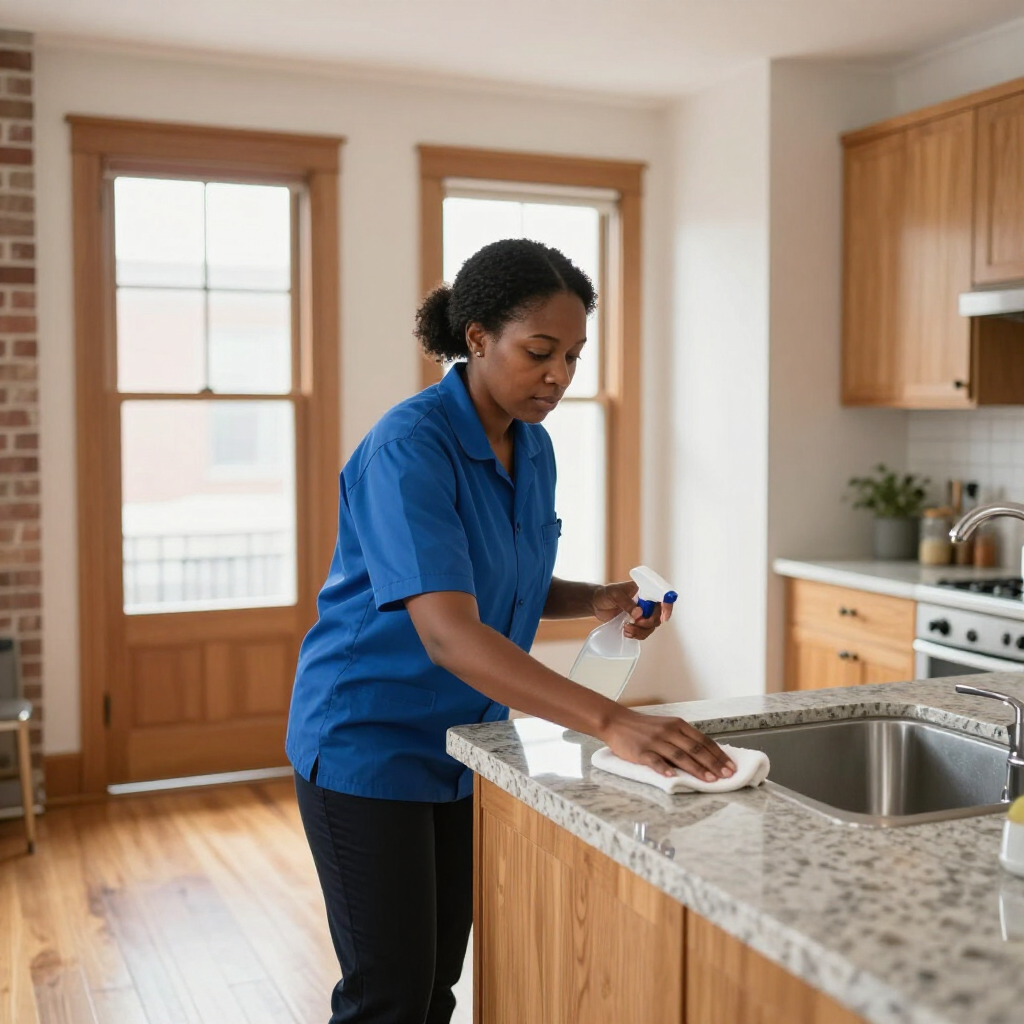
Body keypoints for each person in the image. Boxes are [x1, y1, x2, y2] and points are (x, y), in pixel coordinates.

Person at [286, 238, 735, 1024]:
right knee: (386, 995)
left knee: (435, 987)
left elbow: (502, 580)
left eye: (573, 355)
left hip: (466, 743)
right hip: (366, 741)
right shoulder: (407, 448)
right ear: (476, 338)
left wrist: (595, 598)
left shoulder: (533, 446)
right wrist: (612, 722)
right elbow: (451, 634)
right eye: (540, 352)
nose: (559, 376)